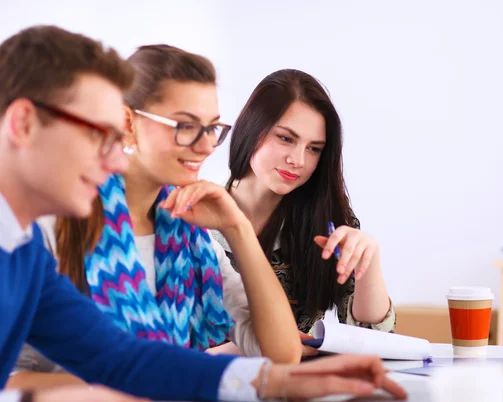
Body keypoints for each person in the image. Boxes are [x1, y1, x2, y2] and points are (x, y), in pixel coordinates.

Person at [0, 25, 407, 402]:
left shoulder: (24, 247)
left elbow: (123, 360)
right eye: (96, 134)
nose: (110, 158)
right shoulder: (43, 233)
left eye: (211, 128)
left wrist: (278, 381)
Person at [9, 44, 301, 390]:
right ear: (128, 122)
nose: (206, 146)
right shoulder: (50, 223)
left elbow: (283, 354)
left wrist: (237, 228)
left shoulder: (191, 236)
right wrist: (124, 386)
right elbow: (11, 376)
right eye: (186, 126)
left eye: (212, 128)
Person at [214, 69, 395, 338]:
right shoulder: (196, 221)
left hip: (298, 378)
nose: (298, 160)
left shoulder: (327, 221)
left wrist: (369, 260)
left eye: (314, 148)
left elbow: (376, 338)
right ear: (251, 129)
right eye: (286, 138)